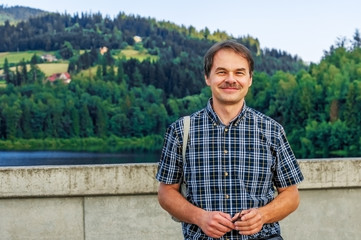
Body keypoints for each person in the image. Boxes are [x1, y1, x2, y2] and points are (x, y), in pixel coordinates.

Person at [156, 39, 304, 240]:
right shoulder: (180, 131)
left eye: (239, 72)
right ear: (208, 77)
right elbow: (166, 193)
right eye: (222, 72)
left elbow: (291, 195)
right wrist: (200, 217)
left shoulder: (272, 130)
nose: (231, 79)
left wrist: (262, 215)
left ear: (250, 79)